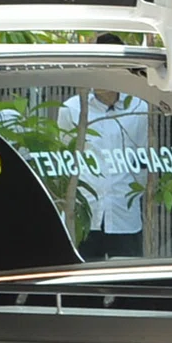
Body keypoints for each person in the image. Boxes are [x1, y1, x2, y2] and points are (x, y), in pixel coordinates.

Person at [57, 87, 150, 260]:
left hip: (124, 212)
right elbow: (65, 158)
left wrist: (135, 193)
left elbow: (141, 157)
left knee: (128, 278)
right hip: (84, 212)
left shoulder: (138, 108)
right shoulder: (71, 109)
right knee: (82, 278)